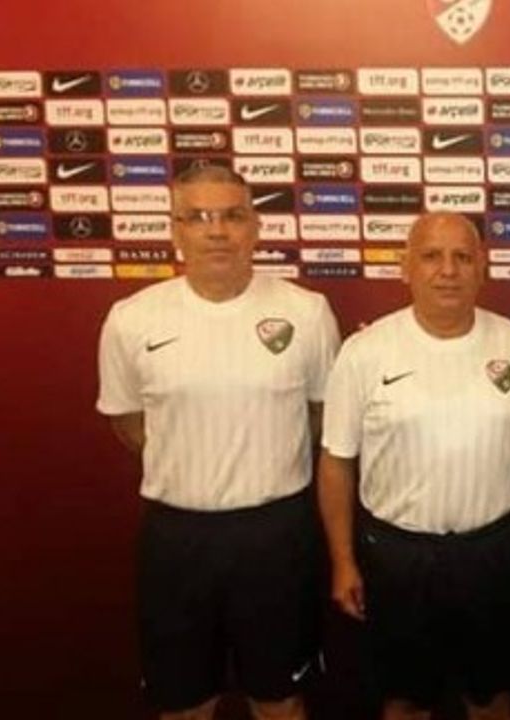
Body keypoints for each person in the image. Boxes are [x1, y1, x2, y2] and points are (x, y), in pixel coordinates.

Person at [96, 165, 340, 720]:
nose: (217, 231)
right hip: (176, 540)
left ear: (256, 227)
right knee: (184, 704)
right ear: (175, 229)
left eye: (233, 215)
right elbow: (129, 424)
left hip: (277, 535)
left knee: (279, 701)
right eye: (198, 217)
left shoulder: (306, 312)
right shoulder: (132, 319)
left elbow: (320, 415)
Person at [317, 212, 510, 720]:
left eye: (462, 257)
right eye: (431, 256)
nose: (448, 270)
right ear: (405, 267)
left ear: (481, 267)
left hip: (493, 551)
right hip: (396, 557)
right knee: (404, 700)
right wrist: (343, 560)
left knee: (492, 697)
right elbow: (336, 464)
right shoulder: (363, 351)